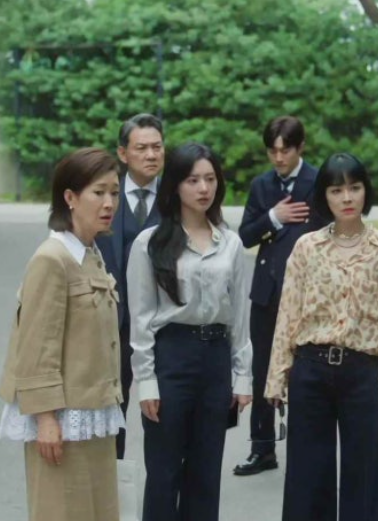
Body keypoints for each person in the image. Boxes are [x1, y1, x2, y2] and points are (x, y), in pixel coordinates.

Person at [265, 152, 378, 521]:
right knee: (308, 476)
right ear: (324, 196)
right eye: (336, 190)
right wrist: (277, 376)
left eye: (354, 188)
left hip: (366, 372)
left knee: (368, 475)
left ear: (365, 191)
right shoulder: (306, 247)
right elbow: (288, 314)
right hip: (311, 369)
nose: (347, 198)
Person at [126, 142, 253, 521]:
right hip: (171, 358)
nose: (203, 188)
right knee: (163, 472)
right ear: (176, 186)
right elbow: (141, 319)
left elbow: (240, 315)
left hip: (215, 360)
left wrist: (242, 375)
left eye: (210, 179)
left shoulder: (230, 244)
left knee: (205, 472)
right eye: (193, 180)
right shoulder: (150, 243)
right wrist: (146, 382)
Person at [0, 148, 125, 521]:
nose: (109, 203)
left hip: (95, 413)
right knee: (61, 511)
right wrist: (46, 420)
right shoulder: (51, 259)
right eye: (98, 192)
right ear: (70, 197)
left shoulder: (91, 253)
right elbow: (36, 347)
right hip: (63, 420)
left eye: (114, 192)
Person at [235, 115, 325, 476]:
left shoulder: (319, 181)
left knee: (305, 371)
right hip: (267, 291)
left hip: (308, 294)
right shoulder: (262, 185)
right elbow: (245, 236)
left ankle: (306, 449)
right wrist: (274, 216)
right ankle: (262, 448)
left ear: (300, 147)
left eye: (285, 150)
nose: (278, 158)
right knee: (263, 370)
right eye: (272, 151)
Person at [95, 113, 165, 460]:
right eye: (142, 148)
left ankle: (162, 489)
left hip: (164, 326)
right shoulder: (102, 197)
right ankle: (112, 485)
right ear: (123, 153)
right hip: (114, 325)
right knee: (111, 417)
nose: (151, 155)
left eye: (157, 147)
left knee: (163, 418)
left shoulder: (178, 197)